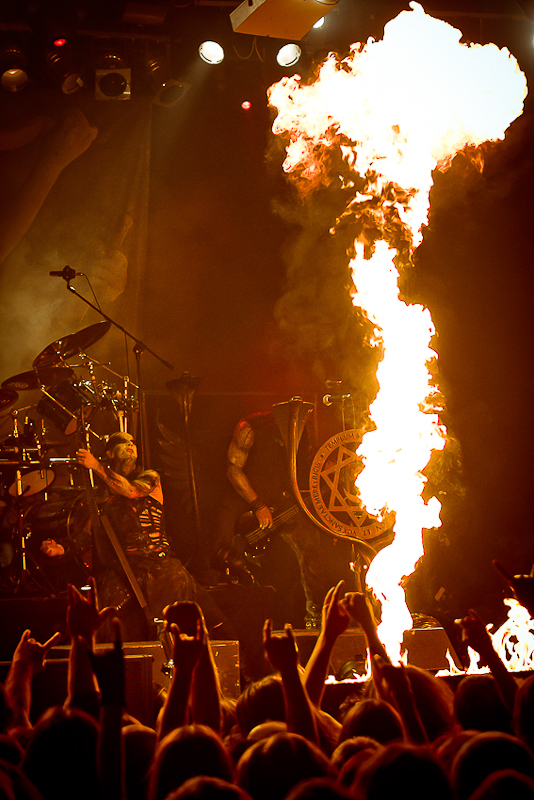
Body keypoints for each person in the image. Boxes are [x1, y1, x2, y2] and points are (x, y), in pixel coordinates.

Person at [74, 431, 227, 641]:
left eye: (132, 442)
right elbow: (87, 534)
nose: (130, 445)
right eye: (122, 442)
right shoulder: (102, 498)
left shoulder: (150, 477)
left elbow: (131, 491)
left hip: (160, 567)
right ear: (109, 453)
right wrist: (60, 548)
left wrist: (97, 467)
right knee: (108, 622)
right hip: (126, 572)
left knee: (169, 627)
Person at [225, 401, 347, 630]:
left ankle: (316, 621)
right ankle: (270, 627)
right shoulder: (250, 427)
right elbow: (233, 469)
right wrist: (258, 504)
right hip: (259, 507)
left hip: (295, 505)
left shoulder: (307, 428)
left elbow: (310, 463)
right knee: (275, 576)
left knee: (313, 563)